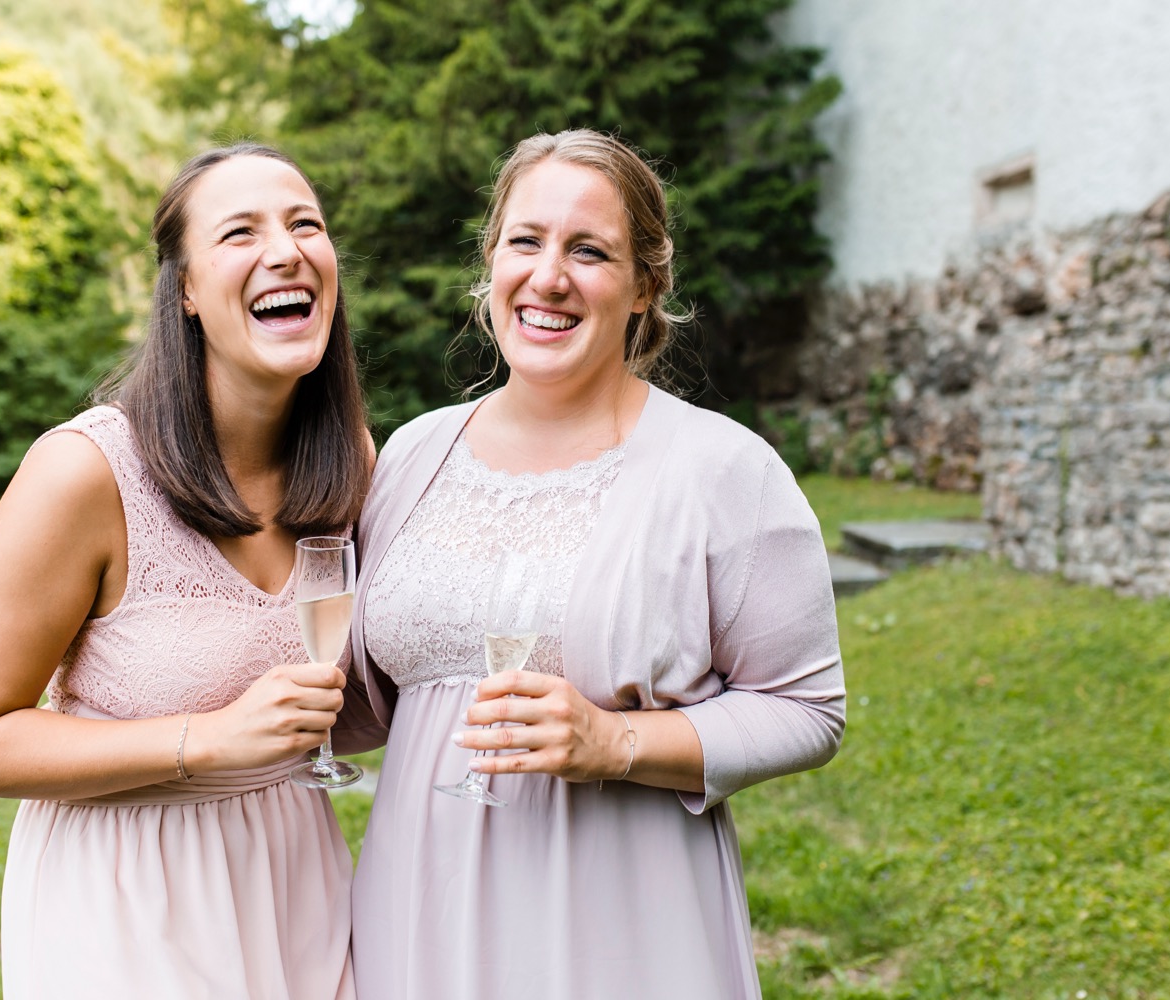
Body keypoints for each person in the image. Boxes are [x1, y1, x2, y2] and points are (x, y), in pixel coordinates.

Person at [347, 129, 846, 998]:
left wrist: (615, 740)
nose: (549, 277)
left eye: (590, 251)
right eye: (525, 242)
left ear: (646, 284)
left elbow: (807, 709)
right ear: (492, 261)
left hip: (622, 916)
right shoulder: (412, 453)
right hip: (417, 906)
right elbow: (366, 699)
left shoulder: (723, 470)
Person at [0, 143, 381, 999]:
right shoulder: (85, 473)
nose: (283, 249)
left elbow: (348, 706)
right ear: (185, 291)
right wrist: (207, 738)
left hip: (297, 877)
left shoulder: (350, 462)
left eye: (304, 224)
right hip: (129, 895)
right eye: (240, 232)